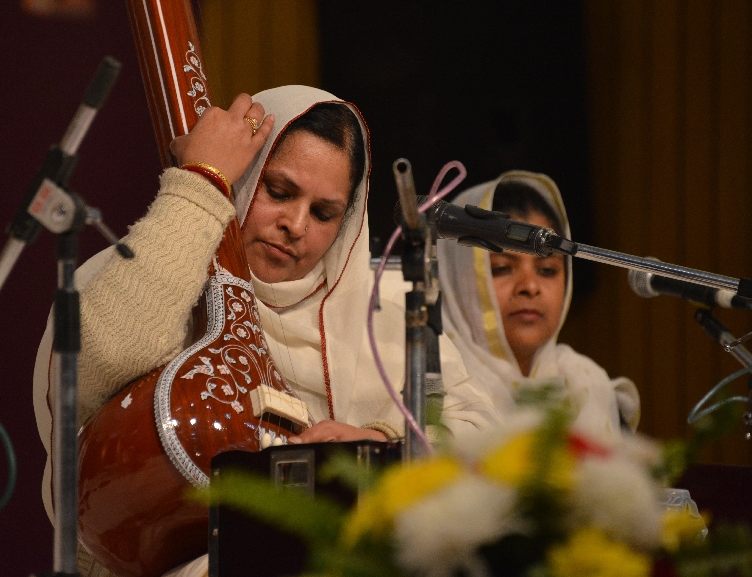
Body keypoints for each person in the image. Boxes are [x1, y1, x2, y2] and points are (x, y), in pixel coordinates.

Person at [33, 85, 499, 577]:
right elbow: (98, 367)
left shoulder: (384, 312)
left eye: (323, 213)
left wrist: (377, 444)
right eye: (278, 192)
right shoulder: (140, 273)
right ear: (243, 173)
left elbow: (484, 436)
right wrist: (199, 187)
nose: (295, 225)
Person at [437, 171, 639, 442]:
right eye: (502, 268)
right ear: (455, 277)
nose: (530, 286)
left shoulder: (590, 388)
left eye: (547, 270)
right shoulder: (426, 392)